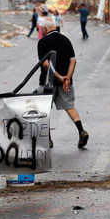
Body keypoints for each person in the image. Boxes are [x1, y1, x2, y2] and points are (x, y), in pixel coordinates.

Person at [37, 18, 89, 148]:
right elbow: (73, 61)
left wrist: (60, 77)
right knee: (70, 106)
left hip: (48, 82)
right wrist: (67, 78)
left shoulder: (42, 42)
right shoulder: (65, 39)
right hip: (65, 82)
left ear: (44, 29)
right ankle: (81, 131)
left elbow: (46, 64)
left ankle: (48, 139)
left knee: (44, 110)